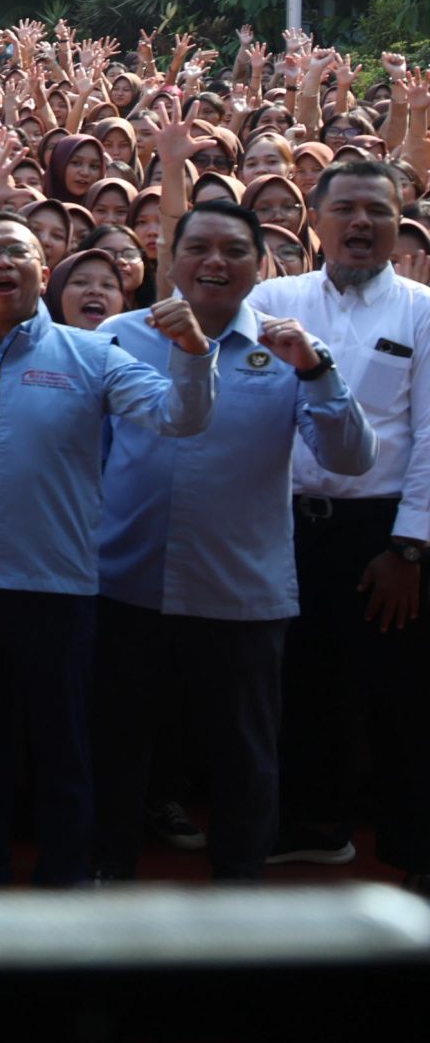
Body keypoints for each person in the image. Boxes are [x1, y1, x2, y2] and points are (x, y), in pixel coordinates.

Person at [0, 208, 216, 889]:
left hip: (58, 589)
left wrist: (193, 352)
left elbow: (180, 416)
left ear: (43, 272)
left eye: (18, 252)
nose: (3, 263)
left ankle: (64, 880)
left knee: (62, 746)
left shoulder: (92, 355)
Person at [94, 201, 372, 883]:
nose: (215, 262)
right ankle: (104, 880)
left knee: (243, 755)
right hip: (126, 581)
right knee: (117, 747)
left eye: (234, 250)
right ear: (171, 259)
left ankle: (240, 889)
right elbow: (87, 455)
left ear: (261, 265)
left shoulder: (290, 348)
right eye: (199, 248)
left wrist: (317, 371)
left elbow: (351, 458)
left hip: (241, 591)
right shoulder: (118, 336)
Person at [247, 159, 430, 882]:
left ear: (397, 223)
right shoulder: (273, 299)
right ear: (315, 220)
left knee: (399, 692)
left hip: (380, 533)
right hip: (281, 525)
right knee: (298, 679)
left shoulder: (421, 309)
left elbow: (429, 435)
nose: (360, 222)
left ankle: (413, 847)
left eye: (377, 211)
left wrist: (409, 548)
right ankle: (312, 824)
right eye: (345, 208)